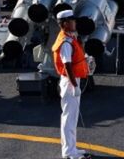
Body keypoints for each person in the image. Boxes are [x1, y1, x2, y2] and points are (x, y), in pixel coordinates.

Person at [51, 11, 96, 159]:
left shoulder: (70, 38)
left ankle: (72, 148)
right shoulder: (66, 42)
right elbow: (67, 66)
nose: (75, 23)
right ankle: (69, 152)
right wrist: (75, 86)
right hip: (70, 82)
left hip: (72, 80)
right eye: (72, 21)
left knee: (73, 118)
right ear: (65, 24)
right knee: (68, 118)